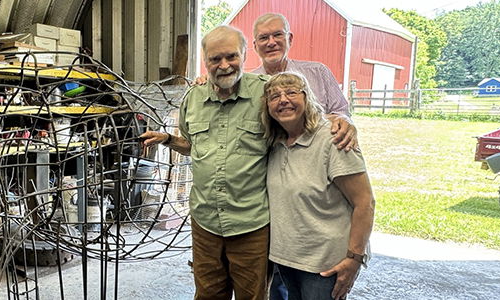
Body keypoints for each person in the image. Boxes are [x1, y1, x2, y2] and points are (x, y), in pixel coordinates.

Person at [141, 25, 271, 300]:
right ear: (205, 61)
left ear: (245, 54)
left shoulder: (265, 96)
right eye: (215, 59)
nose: (224, 65)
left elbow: (298, 127)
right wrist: (167, 138)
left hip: (250, 223)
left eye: (231, 56)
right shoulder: (194, 98)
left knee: (253, 295)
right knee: (208, 294)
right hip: (205, 222)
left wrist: (338, 120)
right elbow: (192, 145)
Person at [262, 71, 375, 300]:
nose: (283, 100)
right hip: (288, 260)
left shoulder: (333, 139)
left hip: (324, 265)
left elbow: (365, 203)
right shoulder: (274, 143)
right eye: (274, 97)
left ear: (308, 98)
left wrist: (354, 259)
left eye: (292, 92)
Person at [196, 13, 357, 151]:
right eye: (264, 38)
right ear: (255, 46)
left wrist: (345, 123)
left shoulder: (318, 73)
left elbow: (342, 113)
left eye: (278, 35)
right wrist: (209, 81)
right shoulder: (247, 84)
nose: (271, 42)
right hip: (273, 163)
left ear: (290, 38)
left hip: (319, 156)